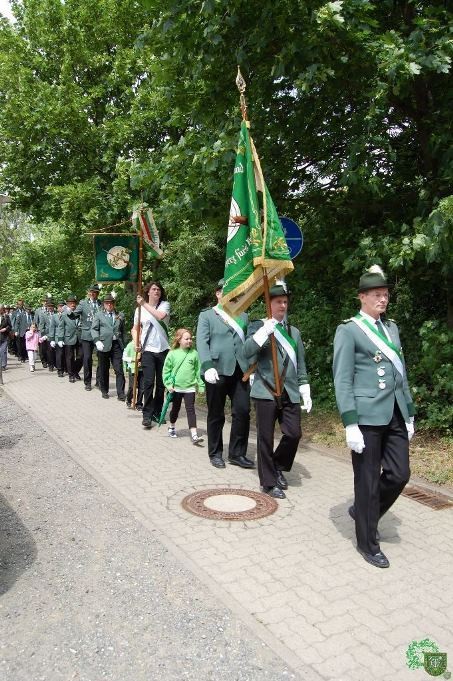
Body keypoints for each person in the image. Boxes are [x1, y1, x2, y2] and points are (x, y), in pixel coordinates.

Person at [333, 265, 415, 569]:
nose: (384, 299)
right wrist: (349, 422)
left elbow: (400, 373)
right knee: (366, 482)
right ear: (362, 297)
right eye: (377, 295)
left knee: (399, 473)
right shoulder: (349, 330)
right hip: (366, 416)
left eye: (386, 294)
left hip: (393, 411)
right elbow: (343, 379)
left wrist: (408, 412)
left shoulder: (391, 328)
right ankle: (368, 543)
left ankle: (364, 512)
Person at [243, 282, 312, 499]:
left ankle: (277, 464)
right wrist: (263, 333)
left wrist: (304, 386)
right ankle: (269, 482)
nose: (283, 305)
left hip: (289, 391)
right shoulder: (257, 326)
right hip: (265, 390)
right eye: (278, 301)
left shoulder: (294, 332)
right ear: (269, 303)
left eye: (285, 301)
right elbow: (246, 352)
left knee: (294, 433)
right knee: (265, 437)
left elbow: (300, 363)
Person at [196, 279, 254, 469]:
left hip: (240, 371)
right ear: (218, 294)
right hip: (217, 369)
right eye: (224, 291)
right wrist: (207, 366)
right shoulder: (207, 316)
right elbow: (202, 343)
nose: (228, 295)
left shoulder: (243, 316)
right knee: (216, 413)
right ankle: (215, 453)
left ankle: (237, 454)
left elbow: (248, 344)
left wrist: (252, 368)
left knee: (243, 411)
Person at [133, 281, 170, 429]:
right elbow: (135, 328)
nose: (157, 291)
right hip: (148, 349)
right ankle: (146, 415)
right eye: (154, 289)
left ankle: (157, 411)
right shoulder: (139, 310)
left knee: (161, 385)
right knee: (148, 383)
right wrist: (136, 342)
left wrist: (143, 304)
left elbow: (160, 316)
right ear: (148, 292)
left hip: (163, 349)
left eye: (159, 289)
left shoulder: (164, 305)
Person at [163, 328, 205, 445]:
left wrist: (201, 386)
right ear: (179, 340)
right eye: (186, 339)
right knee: (175, 409)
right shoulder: (172, 353)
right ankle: (172, 427)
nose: (189, 341)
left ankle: (194, 435)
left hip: (190, 388)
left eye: (190, 338)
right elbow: (166, 371)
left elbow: (198, 371)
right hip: (175, 388)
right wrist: (168, 384)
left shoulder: (194, 354)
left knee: (191, 410)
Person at [91, 293, 126, 400]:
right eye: (107, 303)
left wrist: (125, 346)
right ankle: (104, 390)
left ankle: (121, 393)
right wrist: (97, 341)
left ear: (114, 304)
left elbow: (123, 331)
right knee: (103, 369)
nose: (109, 305)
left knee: (119, 369)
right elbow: (94, 329)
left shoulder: (120, 315)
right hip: (103, 345)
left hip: (116, 346)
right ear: (104, 304)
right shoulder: (99, 315)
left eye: (111, 303)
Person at [74, 284, 102, 391]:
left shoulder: (101, 304)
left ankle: (99, 381)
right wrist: (69, 314)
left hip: (99, 335)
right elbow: (75, 314)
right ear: (89, 293)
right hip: (86, 335)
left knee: (102, 358)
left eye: (96, 292)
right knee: (87, 358)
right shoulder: (83, 303)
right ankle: (87, 382)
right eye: (92, 292)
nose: (94, 294)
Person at [57, 295, 83, 383]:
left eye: (74, 303)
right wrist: (60, 338)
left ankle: (75, 371)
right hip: (69, 338)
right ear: (67, 304)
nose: (73, 305)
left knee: (81, 356)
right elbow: (61, 327)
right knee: (70, 357)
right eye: (71, 303)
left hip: (80, 337)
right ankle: (71, 375)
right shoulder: (64, 315)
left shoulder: (80, 313)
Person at [122, 337, 144, 410]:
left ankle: (139, 404)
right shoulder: (130, 345)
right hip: (133, 369)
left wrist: (142, 362)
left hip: (142, 369)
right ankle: (129, 400)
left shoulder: (144, 346)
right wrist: (133, 360)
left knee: (142, 387)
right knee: (132, 386)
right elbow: (124, 357)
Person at [49, 300, 67, 377]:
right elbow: (52, 327)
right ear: (57, 308)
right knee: (59, 354)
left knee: (66, 354)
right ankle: (60, 369)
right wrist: (52, 339)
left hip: (66, 337)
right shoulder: (54, 316)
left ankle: (66, 368)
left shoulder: (67, 315)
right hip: (57, 337)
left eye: (62, 306)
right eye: (60, 306)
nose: (61, 308)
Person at [37, 298, 55, 372]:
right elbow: (41, 326)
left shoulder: (56, 314)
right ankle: (50, 365)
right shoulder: (44, 315)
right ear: (47, 307)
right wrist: (44, 335)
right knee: (49, 351)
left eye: (51, 306)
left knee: (55, 351)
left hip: (55, 335)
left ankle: (55, 363)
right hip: (47, 335)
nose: (50, 307)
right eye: (49, 306)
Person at [33, 296, 50, 368]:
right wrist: (35, 329)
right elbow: (35, 321)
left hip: (49, 331)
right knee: (42, 347)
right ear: (42, 302)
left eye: (46, 301)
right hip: (41, 331)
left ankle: (49, 360)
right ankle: (44, 361)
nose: (45, 303)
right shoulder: (38, 310)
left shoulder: (50, 309)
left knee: (49, 347)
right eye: (44, 301)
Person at [0, 305, 12, 370]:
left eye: (1, 309)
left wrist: (5, 329)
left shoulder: (6, 317)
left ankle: (3, 365)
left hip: (4, 336)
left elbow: (10, 326)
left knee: (3, 351)